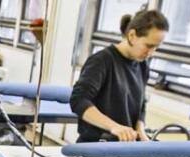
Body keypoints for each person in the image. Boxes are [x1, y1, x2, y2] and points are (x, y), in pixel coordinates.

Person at [70, 9, 168, 143]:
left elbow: (141, 105)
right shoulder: (101, 61)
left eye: (156, 47)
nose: (151, 53)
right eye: (148, 46)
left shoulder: (142, 65)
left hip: (125, 145)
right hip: (97, 144)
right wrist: (114, 127)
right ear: (132, 35)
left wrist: (140, 130)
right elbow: (79, 101)